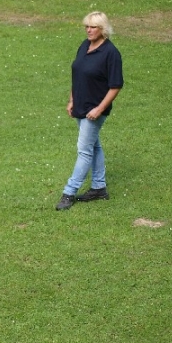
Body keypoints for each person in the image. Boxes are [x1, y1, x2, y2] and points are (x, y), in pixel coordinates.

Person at [56, 12, 123, 211]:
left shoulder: (111, 53)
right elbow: (77, 74)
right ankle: (99, 188)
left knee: (84, 150)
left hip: (95, 109)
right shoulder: (84, 46)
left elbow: (116, 85)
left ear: (103, 29)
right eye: (87, 26)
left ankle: (69, 192)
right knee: (94, 147)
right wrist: (71, 99)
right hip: (80, 105)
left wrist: (99, 109)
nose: (88, 30)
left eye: (93, 27)